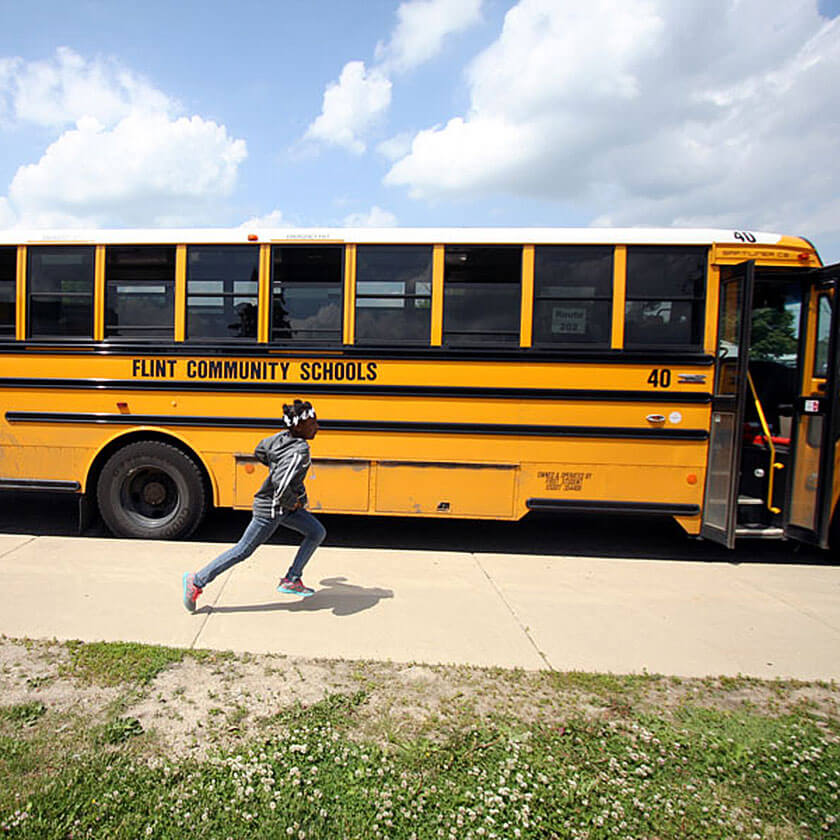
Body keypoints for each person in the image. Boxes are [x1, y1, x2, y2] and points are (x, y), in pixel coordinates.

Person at [182, 399, 325, 612]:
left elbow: (260, 450)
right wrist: (292, 500)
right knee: (243, 550)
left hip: (280, 507)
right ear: (298, 426)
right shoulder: (300, 450)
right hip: (271, 509)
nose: (318, 426)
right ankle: (197, 580)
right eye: (313, 422)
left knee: (316, 531)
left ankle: (292, 578)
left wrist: (277, 470)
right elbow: (281, 483)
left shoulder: (280, 438)